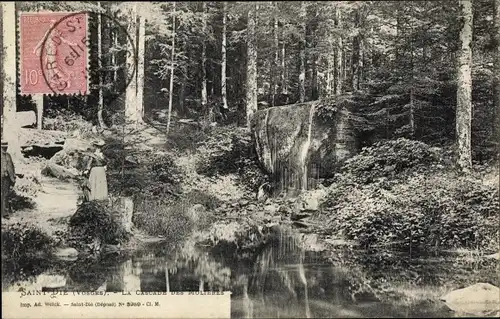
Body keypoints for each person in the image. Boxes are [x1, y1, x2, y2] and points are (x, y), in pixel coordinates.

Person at [1, 141, 16, 217]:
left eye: (6, 146)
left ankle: (4, 213)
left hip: (7, 179)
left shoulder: (8, 155)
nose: (5, 148)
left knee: (5, 195)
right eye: (3, 146)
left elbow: (12, 167)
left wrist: (13, 176)